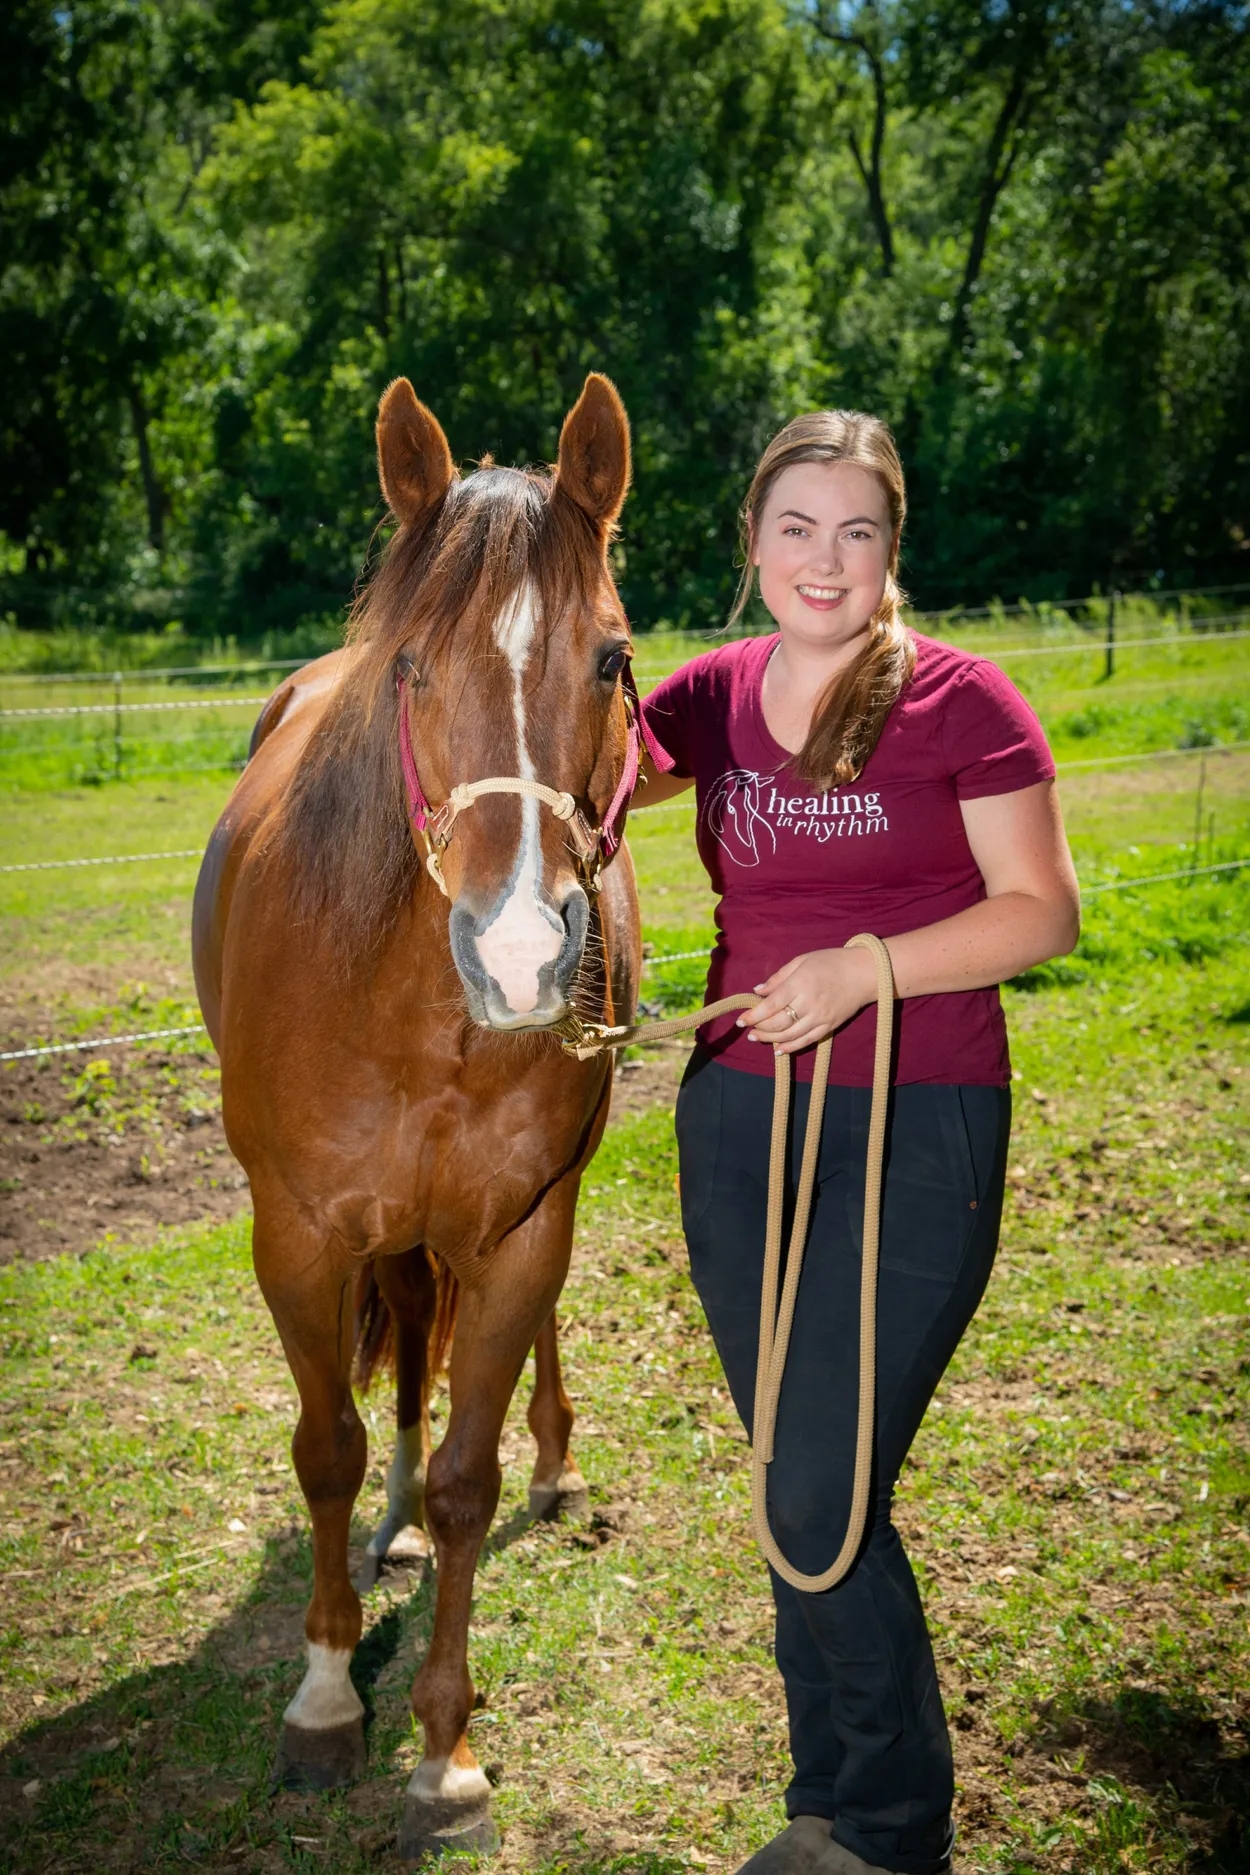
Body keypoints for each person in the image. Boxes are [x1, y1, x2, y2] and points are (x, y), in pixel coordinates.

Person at [636, 411, 1079, 1875]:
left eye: (856, 531)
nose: (823, 561)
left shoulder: (961, 702)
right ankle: (822, 1800)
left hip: (918, 1114)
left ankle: (891, 1829)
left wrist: (866, 968)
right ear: (750, 540)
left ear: (893, 547)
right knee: (792, 1473)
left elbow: (1038, 911)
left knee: (817, 1484)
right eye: (794, 528)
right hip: (737, 1117)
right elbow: (563, 774)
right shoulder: (706, 697)